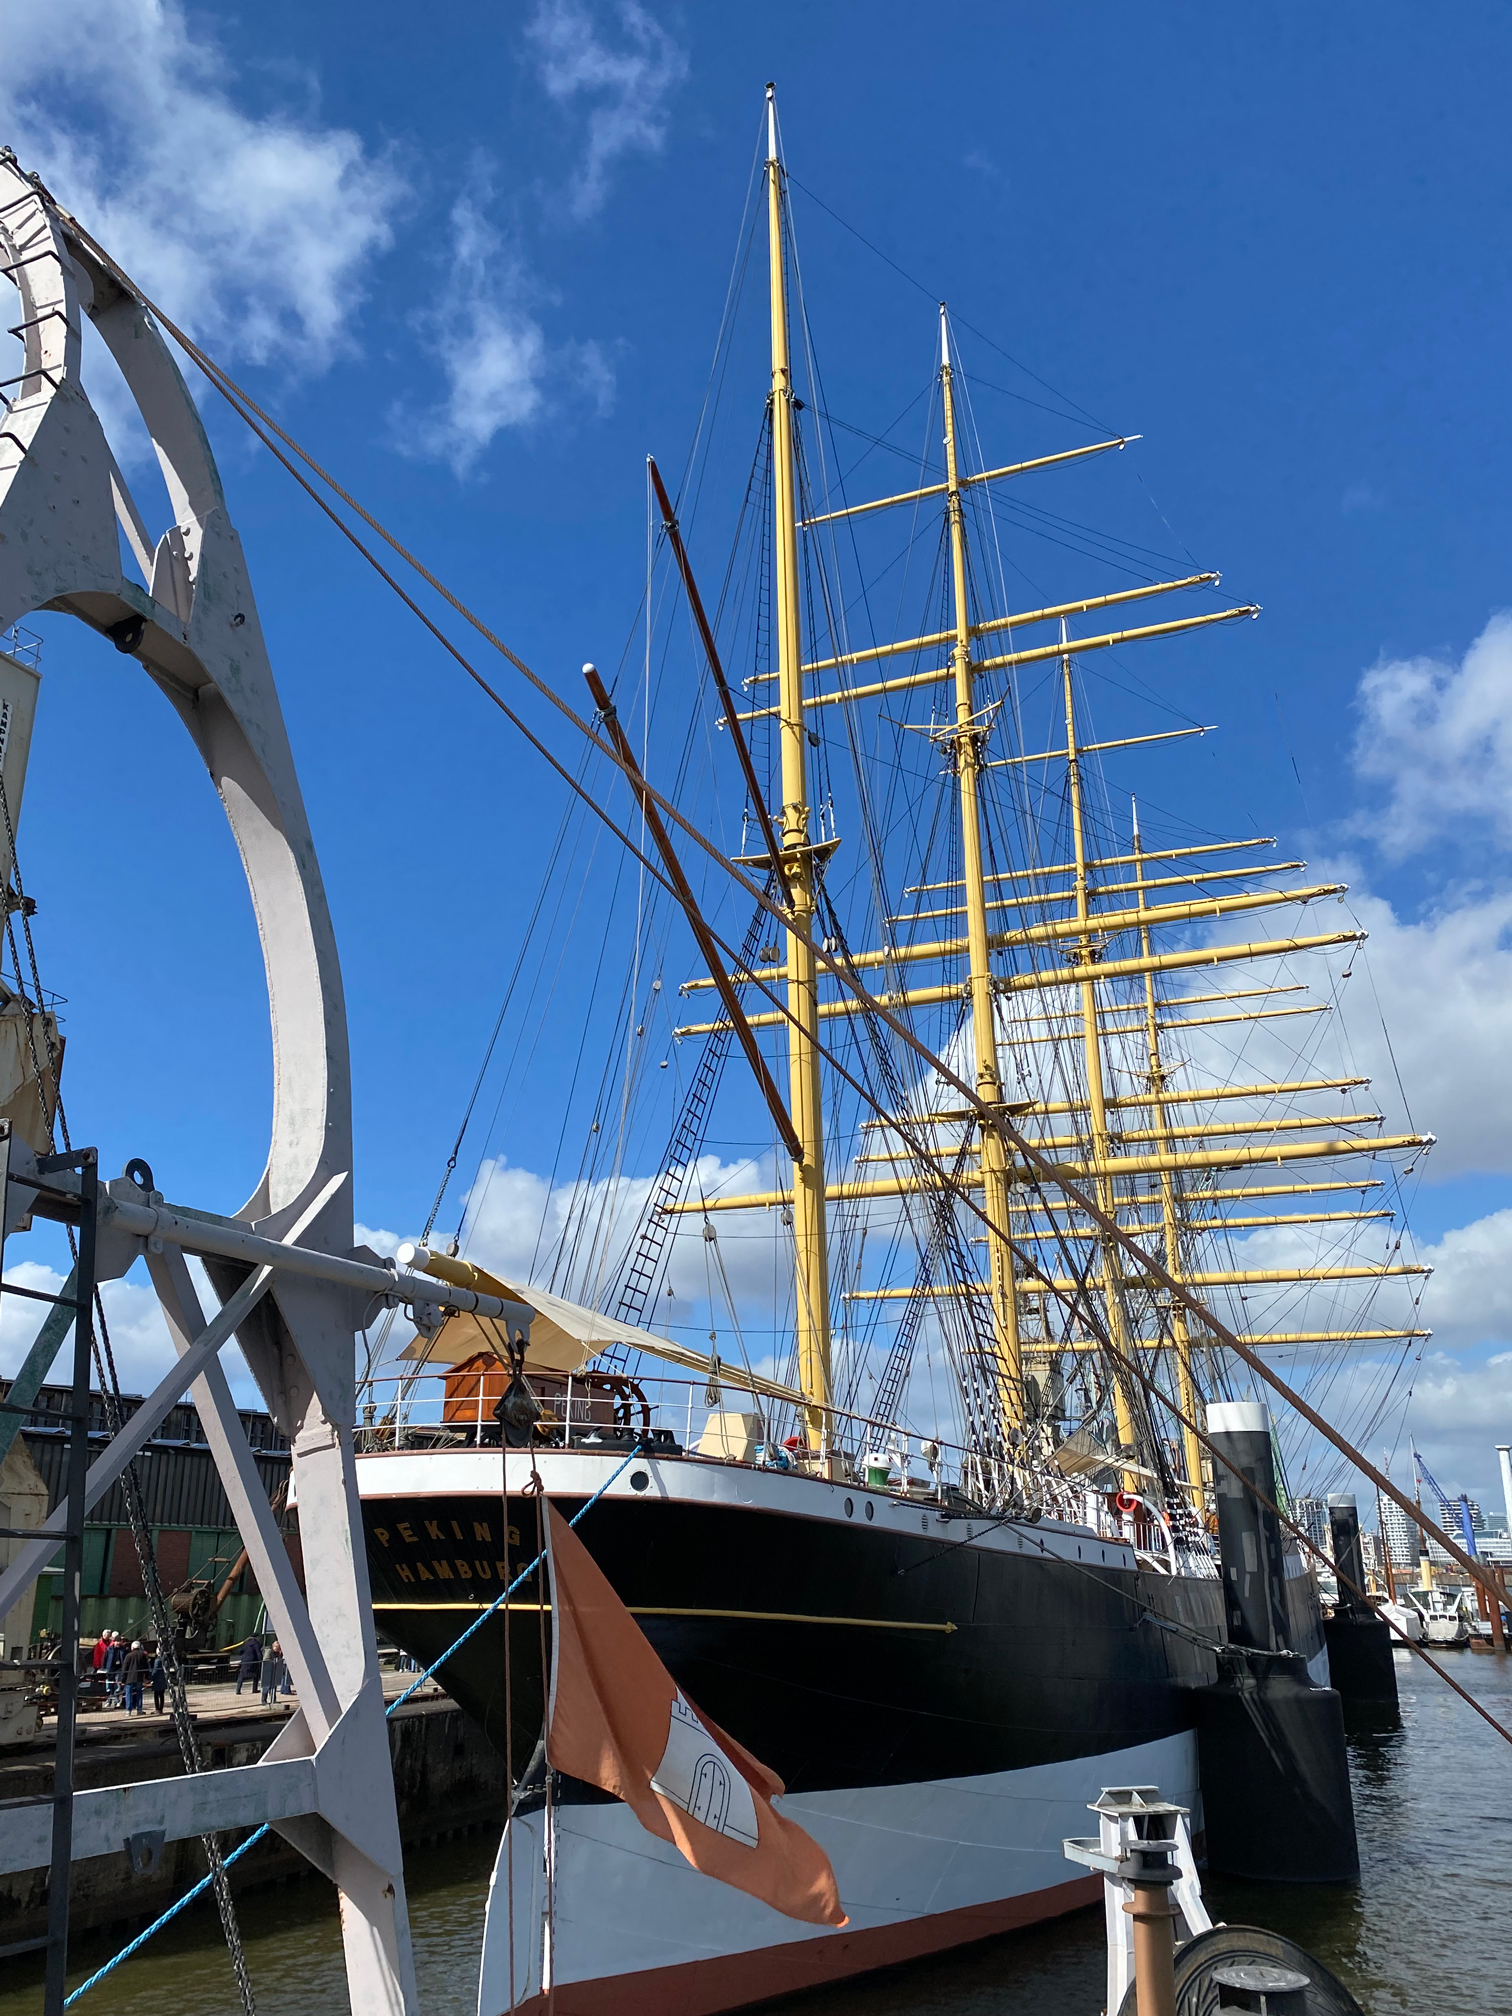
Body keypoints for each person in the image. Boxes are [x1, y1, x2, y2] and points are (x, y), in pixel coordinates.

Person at [121, 1639, 148, 1716]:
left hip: (129, 1678)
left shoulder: (128, 1656)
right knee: (139, 1693)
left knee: (128, 1694)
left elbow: (124, 1668)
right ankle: (139, 1709)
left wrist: (123, 1679)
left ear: (132, 1647)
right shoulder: (142, 1655)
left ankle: (128, 1710)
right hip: (139, 1677)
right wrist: (147, 1677)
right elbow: (146, 1667)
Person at [103, 1632, 124, 1708]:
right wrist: (104, 1668)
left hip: (119, 1669)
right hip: (110, 1669)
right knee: (109, 1685)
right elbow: (105, 1659)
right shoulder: (109, 1649)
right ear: (114, 1641)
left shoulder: (123, 1649)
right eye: (116, 1641)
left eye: (119, 1641)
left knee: (117, 1685)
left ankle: (116, 1701)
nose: (118, 1643)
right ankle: (109, 1700)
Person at [260, 1640, 283, 1707]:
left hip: (274, 1670)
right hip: (268, 1670)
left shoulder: (277, 1653)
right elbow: (266, 1660)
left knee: (274, 1685)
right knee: (266, 1686)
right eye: (278, 1647)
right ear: (274, 1647)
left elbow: (279, 1659)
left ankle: (273, 1699)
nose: (278, 1649)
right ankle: (264, 1700)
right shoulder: (269, 1651)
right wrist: (273, 1662)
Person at [150, 1648, 167, 1714]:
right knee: (161, 1695)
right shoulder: (165, 1658)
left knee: (156, 1694)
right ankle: (160, 1708)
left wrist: (151, 1677)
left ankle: (157, 1708)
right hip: (163, 1678)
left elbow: (155, 1670)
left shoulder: (157, 1660)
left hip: (158, 1679)